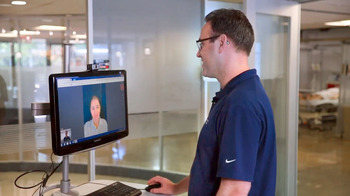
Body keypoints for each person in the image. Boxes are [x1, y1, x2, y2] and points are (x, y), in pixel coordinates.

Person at [147, 8, 276, 195]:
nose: (198, 54)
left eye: (201, 44)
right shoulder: (236, 95)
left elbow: (234, 189)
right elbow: (214, 167)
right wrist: (176, 188)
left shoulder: (240, 104)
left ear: (222, 42)